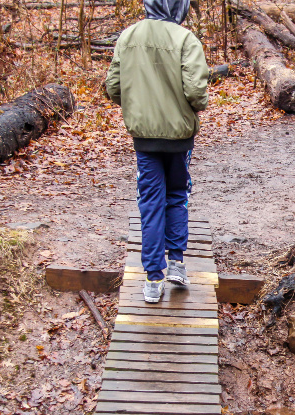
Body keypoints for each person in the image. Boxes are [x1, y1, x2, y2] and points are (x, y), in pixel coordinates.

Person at [105, 0, 209, 303]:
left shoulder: (128, 37)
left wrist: (139, 103)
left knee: (150, 202)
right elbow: (195, 93)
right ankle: (176, 262)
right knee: (177, 195)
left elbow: (113, 87)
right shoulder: (185, 39)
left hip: (144, 138)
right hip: (179, 137)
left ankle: (153, 279)